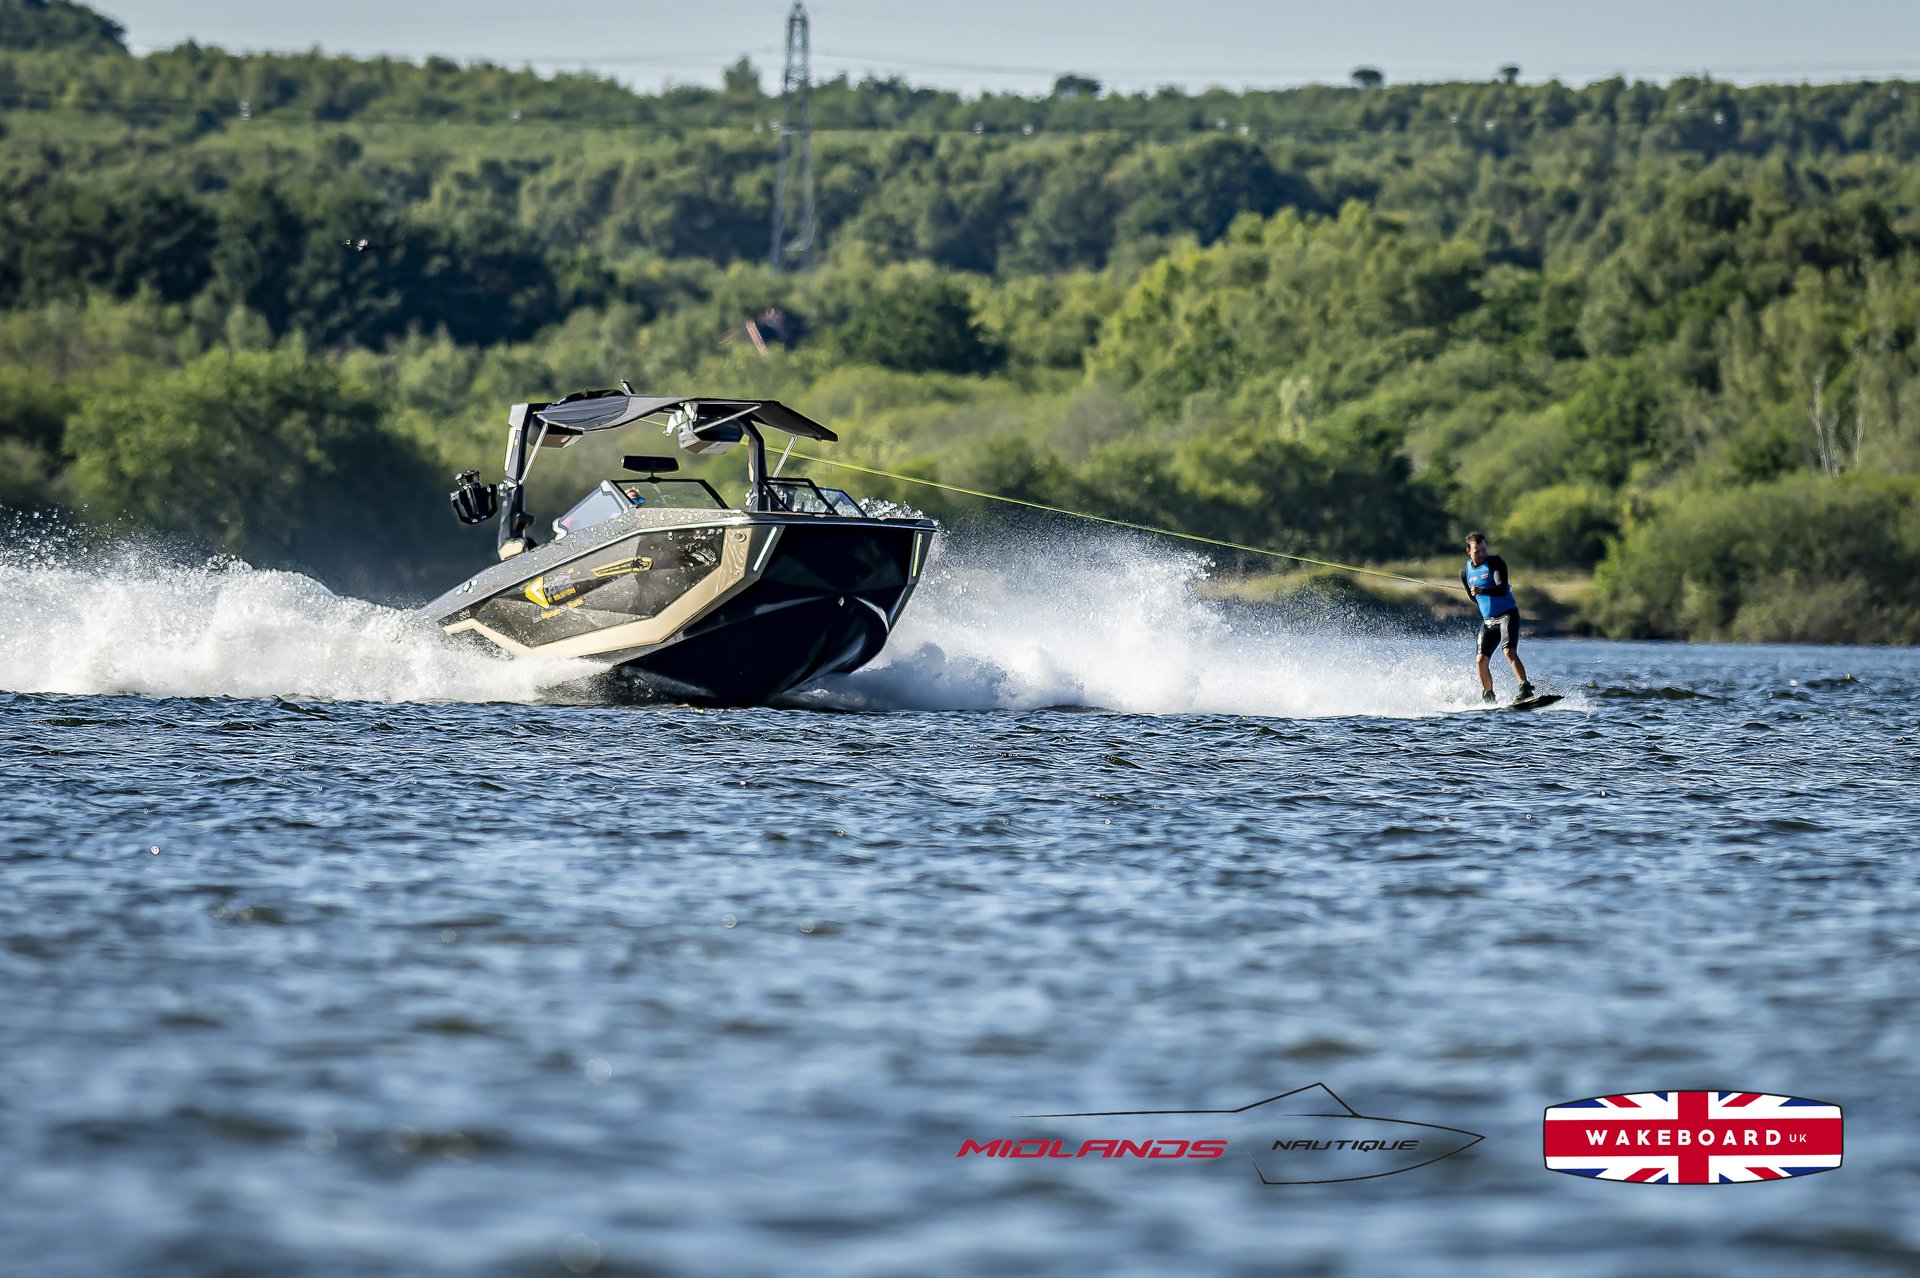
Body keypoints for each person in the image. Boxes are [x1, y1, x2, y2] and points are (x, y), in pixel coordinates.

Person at [1460, 532, 1535, 703]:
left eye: (1483, 550)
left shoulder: (1495, 563)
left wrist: (1483, 591)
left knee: (1508, 651)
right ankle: (1488, 696)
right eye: (1477, 551)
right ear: (1468, 551)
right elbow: (1473, 598)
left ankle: (1525, 689)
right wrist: (1476, 593)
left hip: (1507, 615)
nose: (1481, 554)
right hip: (1488, 621)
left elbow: (1501, 588)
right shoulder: (1465, 573)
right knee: (1480, 660)